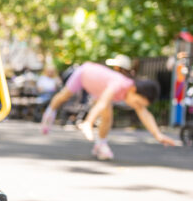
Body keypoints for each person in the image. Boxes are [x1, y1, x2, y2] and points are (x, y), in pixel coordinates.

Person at [40, 61, 178, 160]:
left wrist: (158, 135)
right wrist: (88, 122)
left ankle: (100, 144)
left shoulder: (130, 92)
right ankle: (50, 111)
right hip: (84, 74)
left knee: (107, 115)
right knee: (65, 95)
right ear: (135, 91)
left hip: (98, 89)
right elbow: (101, 103)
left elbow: (144, 113)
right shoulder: (119, 84)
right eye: (137, 102)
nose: (135, 105)